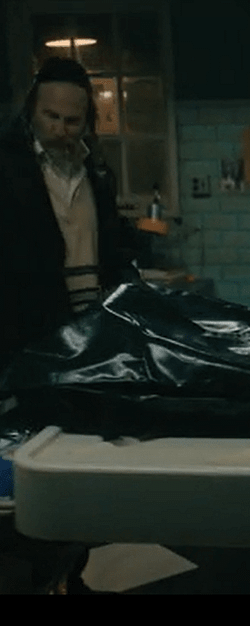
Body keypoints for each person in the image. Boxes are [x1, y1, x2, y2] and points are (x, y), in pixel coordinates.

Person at [0, 57, 133, 593]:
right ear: (32, 111)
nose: (60, 129)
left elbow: (109, 247)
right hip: (28, 332)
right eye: (50, 117)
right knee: (30, 459)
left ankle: (68, 571)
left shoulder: (95, 172)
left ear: (87, 121)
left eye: (72, 120)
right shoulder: (7, 167)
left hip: (89, 329)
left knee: (79, 455)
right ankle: (37, 574)